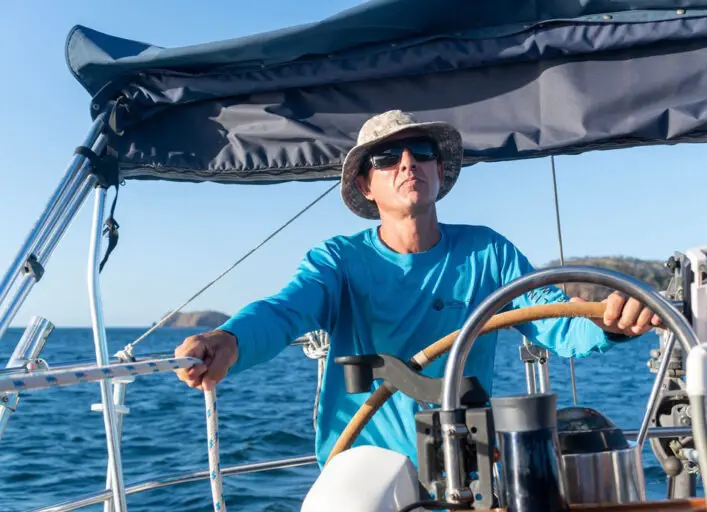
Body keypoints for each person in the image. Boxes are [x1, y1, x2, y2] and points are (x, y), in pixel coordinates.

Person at [174, 110, 662, 469]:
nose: (408, 163)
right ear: (367, 186)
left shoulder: (487, 253)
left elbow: (554, 321)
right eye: (388, 157)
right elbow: (285, 311)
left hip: (470, 461)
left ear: (437, 171)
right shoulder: (339, 260)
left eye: (421, 152)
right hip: (363, 461)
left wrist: (611, 323)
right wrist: (231, 340)